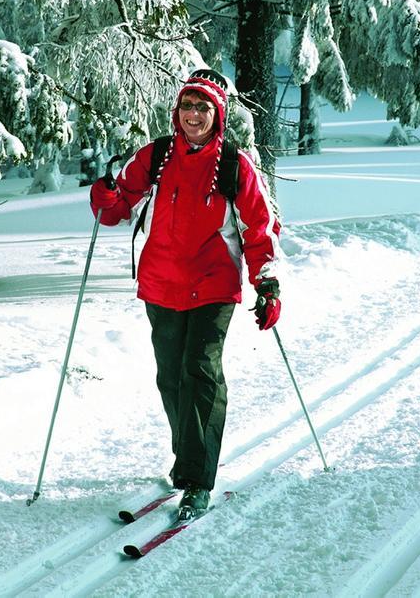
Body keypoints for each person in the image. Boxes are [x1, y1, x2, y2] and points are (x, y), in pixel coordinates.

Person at [89, 69, 282, 519]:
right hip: (161, 283)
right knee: (171, 376)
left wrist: (266, 283)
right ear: (177, 112)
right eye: (187, 106)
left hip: (213, 284)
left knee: (200, 373)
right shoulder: (156, 155)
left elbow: (259, 229)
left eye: (203, 107)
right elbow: (118, 209)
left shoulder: (235, 165)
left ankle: (197, 479)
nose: (194, 115)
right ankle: (188, 458)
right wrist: (105, 195)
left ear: (219, 115)